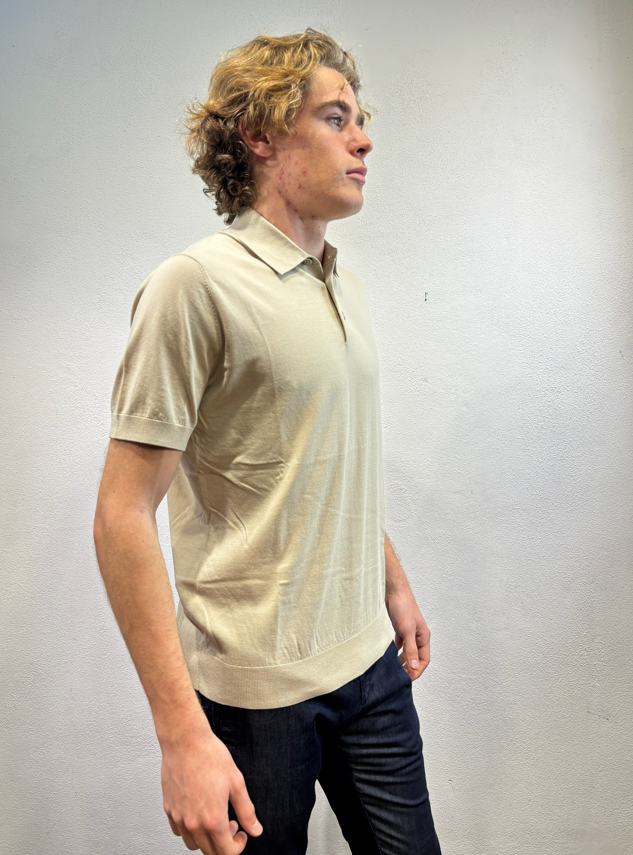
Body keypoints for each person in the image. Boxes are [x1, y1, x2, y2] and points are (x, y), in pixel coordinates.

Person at [93, 27, 442, 855]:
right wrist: (182, 737)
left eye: (359, 120)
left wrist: (390, 581)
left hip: (369, 668)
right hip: (255, 698)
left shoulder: (343, 285)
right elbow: (120, 515)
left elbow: (323, 460)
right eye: (334, 118)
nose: (362, 140)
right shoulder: (194, 286)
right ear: (259, 136)